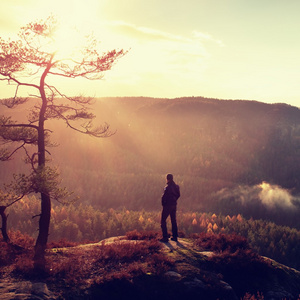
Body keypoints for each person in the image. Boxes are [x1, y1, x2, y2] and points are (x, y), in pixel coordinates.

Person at [160, 173, 180, 242]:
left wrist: (164, 204)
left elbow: (164, 197)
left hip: (167, 205)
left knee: (163, 220)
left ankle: (165, 237)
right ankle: (175, 237)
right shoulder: (176, 186)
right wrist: (174, 200)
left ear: (167, 179)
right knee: (173, 220)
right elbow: (178, 195)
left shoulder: (167, 187)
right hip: (174, 205)